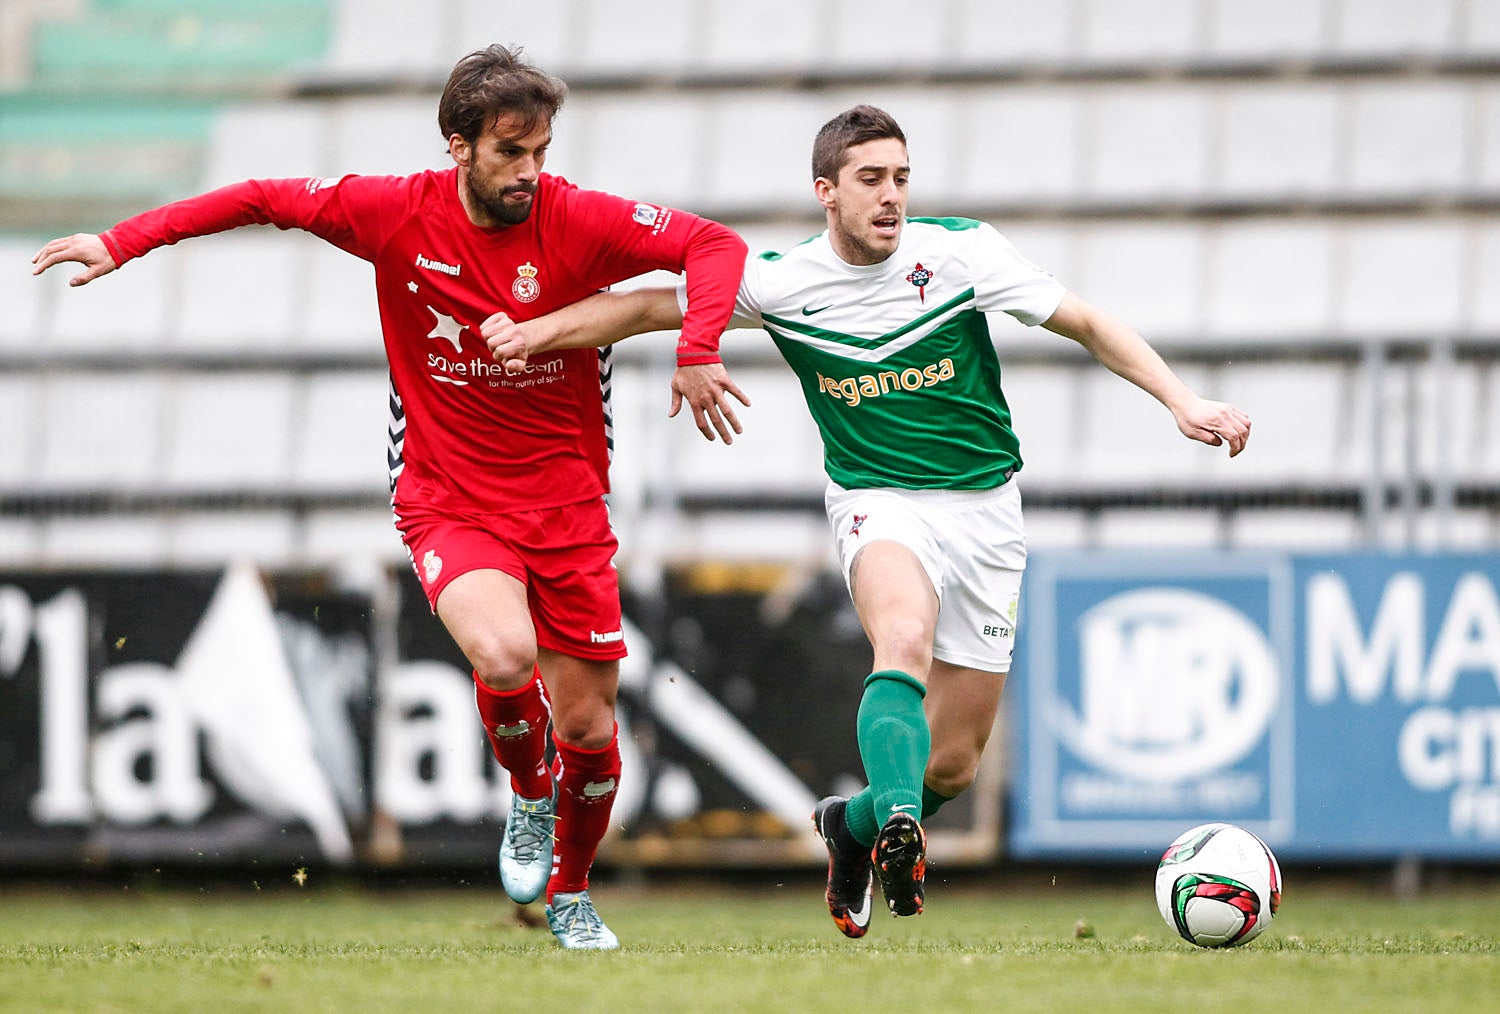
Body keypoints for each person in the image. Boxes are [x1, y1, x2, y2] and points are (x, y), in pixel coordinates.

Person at [31, 44, 750, 950]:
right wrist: (124, 240)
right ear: (459, 147)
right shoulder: (392, 212)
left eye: (541, 153)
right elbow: (262, 195)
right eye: (509, 154)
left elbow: (713, 244)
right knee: (501, 657)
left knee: (588, 724)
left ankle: (569, 894)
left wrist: (699, 349)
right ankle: (529, 793)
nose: (531, 172)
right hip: (448, 496)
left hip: (568, 505)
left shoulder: (580, 221)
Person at [482, 103, 1252, 937]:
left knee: (951, 765)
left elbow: (1090, 323)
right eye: (871, 180)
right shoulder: (782, 281)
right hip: (877, 502)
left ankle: (852, 829)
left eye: (902, 179)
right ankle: (898, 831)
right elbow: (642, 309)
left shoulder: (960, 255)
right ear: (827, 192)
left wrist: (1184, 398)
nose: (892, 197)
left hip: (986, 510)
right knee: (903, 639)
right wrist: (533, 334)